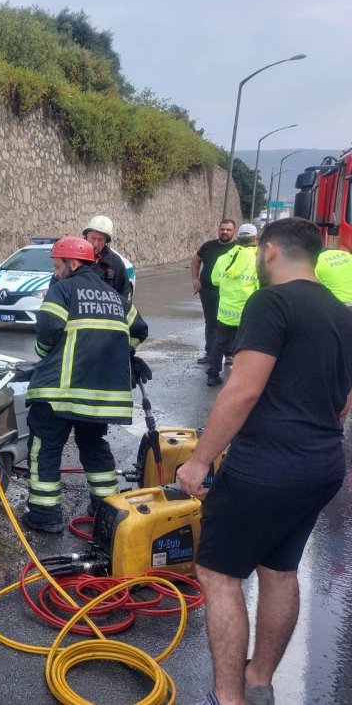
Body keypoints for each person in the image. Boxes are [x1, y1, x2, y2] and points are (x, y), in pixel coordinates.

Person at [177, 218, 352, 705]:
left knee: (219, 575)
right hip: (322, 465)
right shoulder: (342, 314)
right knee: (279, 571)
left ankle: (227, 697)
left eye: (259, 251)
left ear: (271, 251)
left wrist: (199, 461)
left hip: (265, 467)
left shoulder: (270, 302)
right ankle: (258, 682)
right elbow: (343, 403)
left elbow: (243, 391)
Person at [23, 236, 148, 532]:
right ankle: (105, 510)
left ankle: (44, 514)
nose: (55, 273)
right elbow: (139, 330)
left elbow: (47, 331)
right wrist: (123, 353)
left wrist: (44, 353)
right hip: (99, 397)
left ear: (73, 263)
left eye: (57, 266)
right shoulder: (116, 298)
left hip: (60, 393)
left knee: (45, 448)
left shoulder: (62, 290)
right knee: (94, 446)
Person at [206, 224, 258, 386]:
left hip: (225, 311)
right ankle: (243, 380)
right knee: (247, 346)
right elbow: (262, 286)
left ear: (238, 238)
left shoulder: (224, 258)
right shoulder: (258, 260)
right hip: (247, 312)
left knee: (219, 343)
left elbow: (215, 280)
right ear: (255, 239)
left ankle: (212, 375)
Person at [191, 219, 237, 364]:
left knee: (229, 322)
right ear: (218, 230)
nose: (224, 232)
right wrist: (195, 279)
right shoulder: (208, 246)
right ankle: (210, 353)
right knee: (211, 322)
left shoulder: (238, 248)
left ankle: (230, 354)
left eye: (228, 230)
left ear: (234, 232)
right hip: (208, 291)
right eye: (222, 229)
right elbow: (196, 259)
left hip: (229, 293)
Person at [82, 215, 130, 299]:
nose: (95, 244)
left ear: (106, 242)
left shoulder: (115, 262)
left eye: (100, 240)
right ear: (86, 237)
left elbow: (123, 294)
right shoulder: (75, 258)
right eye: (93, 238)